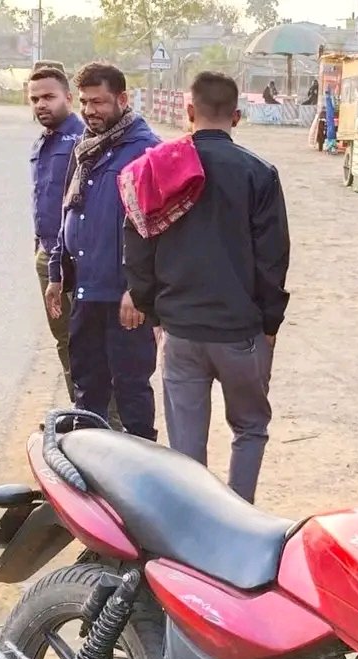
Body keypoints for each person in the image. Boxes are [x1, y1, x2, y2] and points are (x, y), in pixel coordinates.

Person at [123, 71, 291, 504]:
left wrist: (153, 311)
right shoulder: (258, 173)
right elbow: (273, 258)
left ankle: (193, 522)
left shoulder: (159, 168)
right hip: (240, 332)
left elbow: (138, 245)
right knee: (250, 428)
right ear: (237, 116)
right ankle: (239, 516)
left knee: (186, 447)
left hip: (180, 331)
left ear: (188, 111)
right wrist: (270, 323)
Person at [44, 63, 161, 439]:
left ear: (122, 100)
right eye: (84, 102)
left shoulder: (146, 151)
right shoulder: (86, 148)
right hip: (85, 291)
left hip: (124, 298)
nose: (89, 110)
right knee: (87, 386)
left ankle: (141, 463)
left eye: (99, 102)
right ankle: (91, 459)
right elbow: (68, 210)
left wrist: (138, 290)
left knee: (131, 388)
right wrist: (56, 273)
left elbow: (158, 230)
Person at [28, 67, 85, 400]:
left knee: (86, 340)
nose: (41, 105)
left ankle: (100, 416)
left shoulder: (82, 140)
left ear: (69, 98)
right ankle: (79, 409)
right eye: (34, 99)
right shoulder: (42, 141)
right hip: (46, 255)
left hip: (75, 258)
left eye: (49, 97)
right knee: (64, 339)